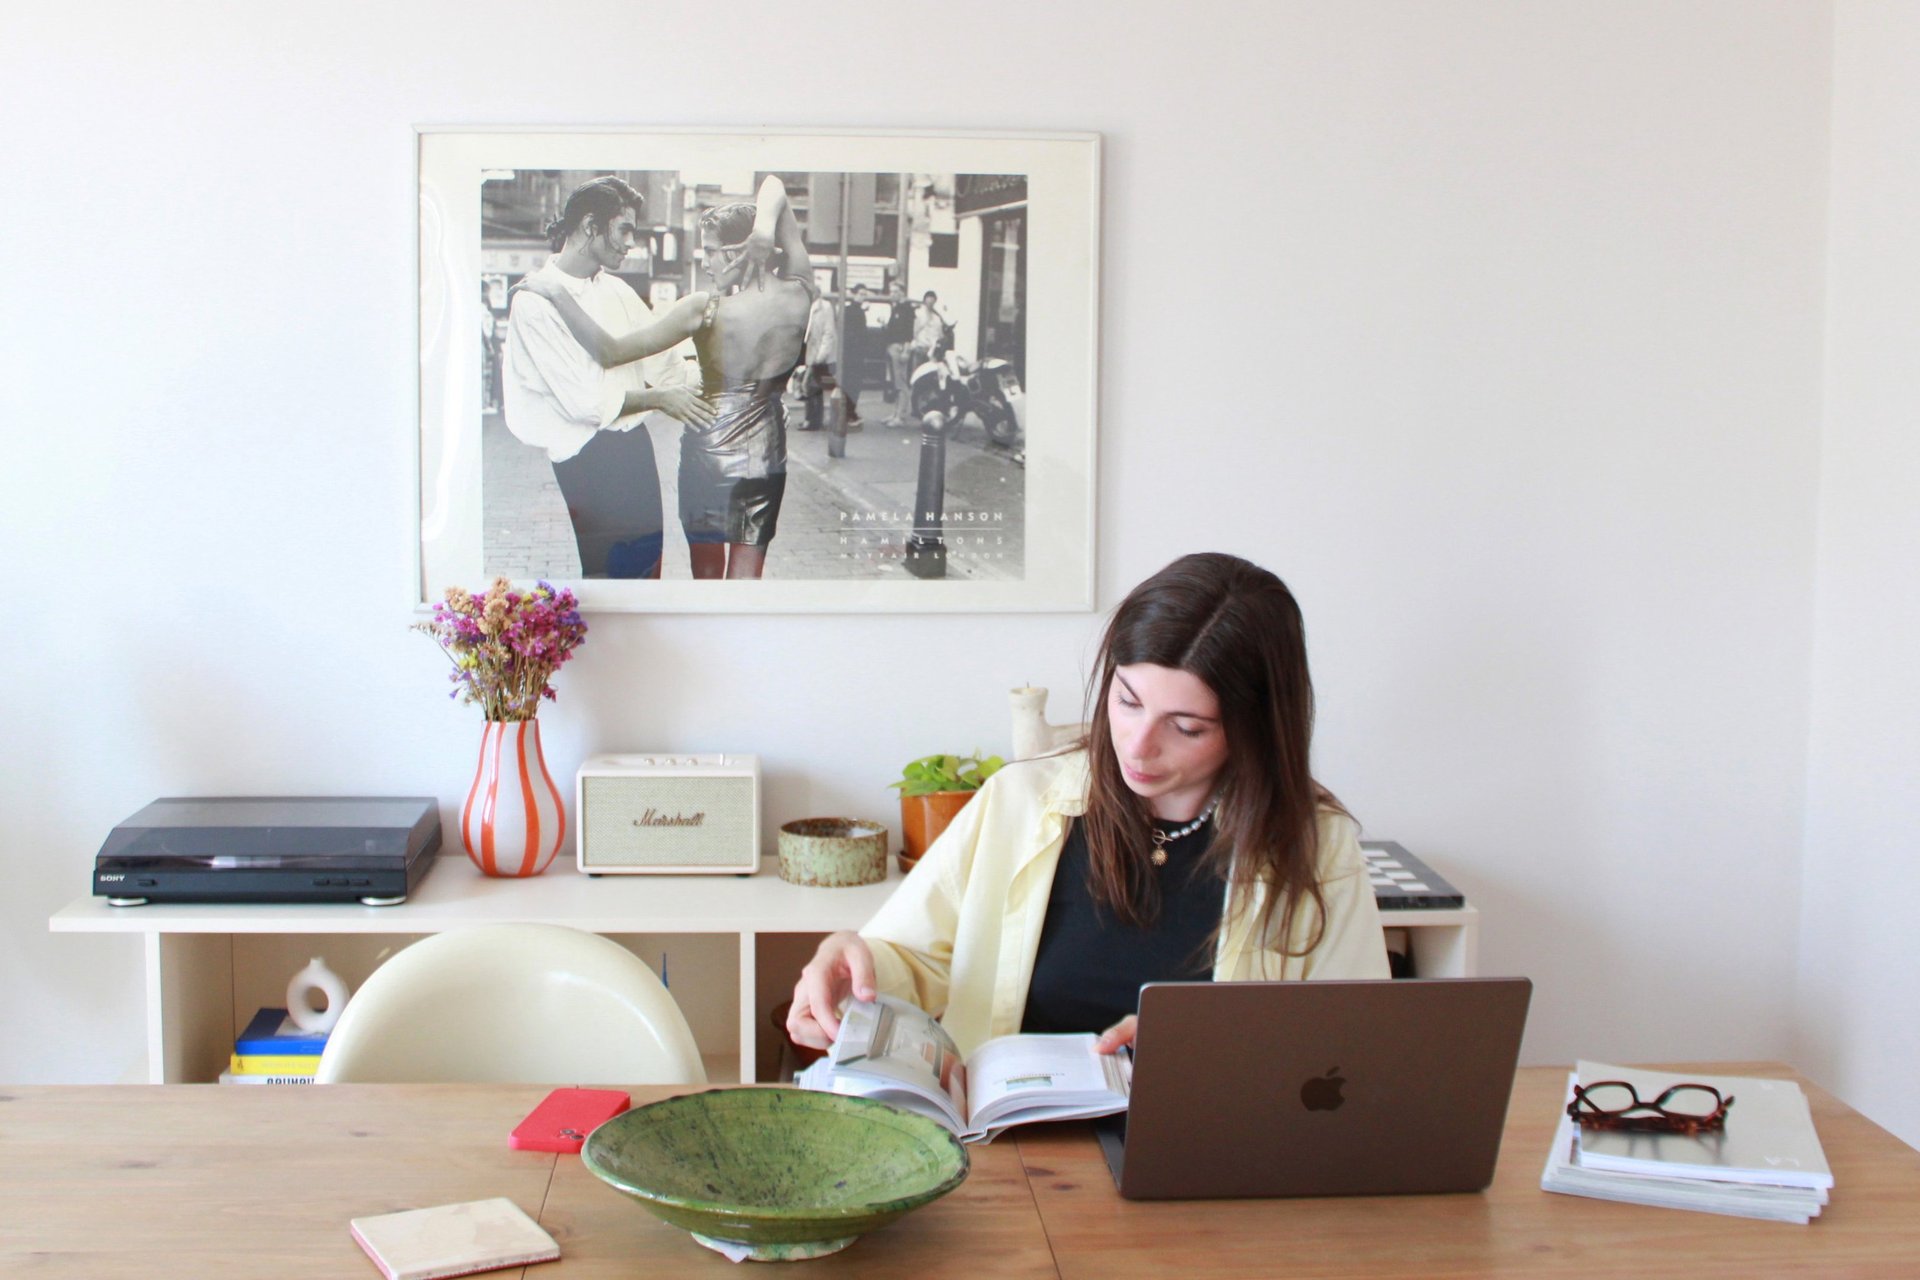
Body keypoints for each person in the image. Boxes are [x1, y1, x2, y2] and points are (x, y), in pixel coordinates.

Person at [788, 552, 1389, 1059]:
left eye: (1186, 726)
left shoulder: (1317, 847)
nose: (1139, 744)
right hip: (1011, 1143)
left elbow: (1354, 1043)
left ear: (1255, 728)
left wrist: (1202, 1048)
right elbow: (915, 957)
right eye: (1127, 702)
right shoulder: (1022, 800)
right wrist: (850, 963)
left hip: (1210, 1156)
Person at [532, 175, 813, 580]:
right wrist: (765, 231)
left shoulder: (702, 308)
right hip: (768, 454)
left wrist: (556, 293)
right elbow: (775, 187)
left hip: (708, 448)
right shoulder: (801, 291)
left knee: (706, 576)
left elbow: (611, 351)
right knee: (748, 578)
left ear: (740, 251)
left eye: (712, 252)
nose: (704, 261)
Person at [502, 176, 715, 579]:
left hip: (632, 442)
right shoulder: (533, 303)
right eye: (624, 229)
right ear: (588, 226)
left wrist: (732, 385)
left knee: (651, 566)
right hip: (586, 454)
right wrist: (660, 399)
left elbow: (664, 364)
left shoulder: (616, 290)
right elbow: (585, 403)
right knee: (613, 577)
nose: (630, 242)